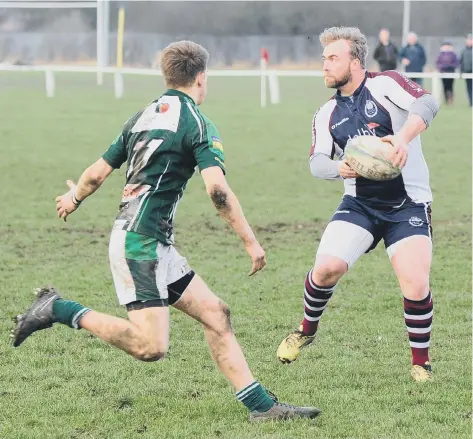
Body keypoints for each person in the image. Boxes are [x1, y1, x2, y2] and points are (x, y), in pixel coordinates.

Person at [11, 40, 320, 422]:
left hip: (152, 243)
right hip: (140, 246)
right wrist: (250, 240)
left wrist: (73, 197)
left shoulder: (141, 117)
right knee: (150, 347)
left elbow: (95, 174)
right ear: (202, 78)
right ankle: (59, 308)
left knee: (216, 314)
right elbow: (218, 191)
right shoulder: (196, 123)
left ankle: (262, 408)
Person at [276, 27, 439, 383]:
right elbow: (317, 163)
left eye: (333, 58)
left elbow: (428, 103)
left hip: (407, 205)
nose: (325, 66)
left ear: (356, 61)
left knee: (414, 282)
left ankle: (421, 363)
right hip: (359, 204)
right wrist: (340, 167)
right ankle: (306, 330)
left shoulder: (386, 85)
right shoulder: (326, 112)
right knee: (326, 269)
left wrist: (403, 137)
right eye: (324, 59)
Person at [460, 33, 473, 107]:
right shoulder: (464, 51)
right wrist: (461, 71)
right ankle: (471, 103)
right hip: (467, 72)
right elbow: (461, 62)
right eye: (469, 40)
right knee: (469, 88)